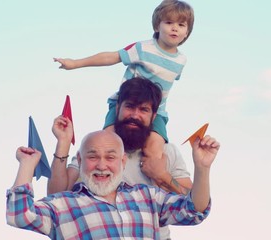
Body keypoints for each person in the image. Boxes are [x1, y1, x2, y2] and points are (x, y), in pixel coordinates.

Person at [53, 0, 195, 170]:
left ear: (187, 33)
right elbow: (111, 57)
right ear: (157, 26)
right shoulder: (142, 48)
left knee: (155, 152)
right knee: (107, 143)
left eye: (181, 25)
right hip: (125, 105)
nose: (175, 28)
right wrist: (75, 63)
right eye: (169, 22)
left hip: (156, 112)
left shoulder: (181, 61)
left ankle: (153, 187)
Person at [47, 78, 194, 239]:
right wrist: (63, 142)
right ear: (117, 109)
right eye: (129, 106)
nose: (135, 115)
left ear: (153, 117)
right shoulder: (95, 150)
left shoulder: (168, 152)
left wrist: (162, 175)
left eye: (143, 109)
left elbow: (193, 205)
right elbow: (56, 197)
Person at [6, 129, 220, 239]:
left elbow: (194, 211)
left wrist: (203, 168)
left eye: (110, 157)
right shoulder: (63, 205)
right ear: (79, 161)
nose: (102, 165)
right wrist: (27, 164)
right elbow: (19, 216)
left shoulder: (148, 197)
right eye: (92, 156)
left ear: (122, 162)